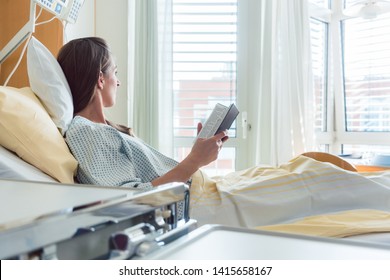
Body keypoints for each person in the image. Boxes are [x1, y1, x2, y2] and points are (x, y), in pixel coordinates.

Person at [57, 37, 227, 190]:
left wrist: (198, 154)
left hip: (198, 187)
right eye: (115, 73)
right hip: (193, 197)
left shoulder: (104, 129)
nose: (118, 82)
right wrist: (195, 160)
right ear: (100, 79)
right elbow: (130, 198)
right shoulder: (86, 132)